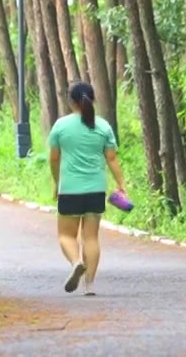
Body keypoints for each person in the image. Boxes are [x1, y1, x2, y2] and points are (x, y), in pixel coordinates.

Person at [48, 81, 127, 296]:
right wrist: (121, 185)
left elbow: (54, 159)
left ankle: (76, 262)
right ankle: (89, 284)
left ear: (71, 101)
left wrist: (56, 182)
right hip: (96, 190)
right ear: (93, 99)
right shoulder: (103, 126)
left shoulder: (61, 126)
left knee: (66, 235)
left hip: (70, 189)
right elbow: (111, 159)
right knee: (91, 237)